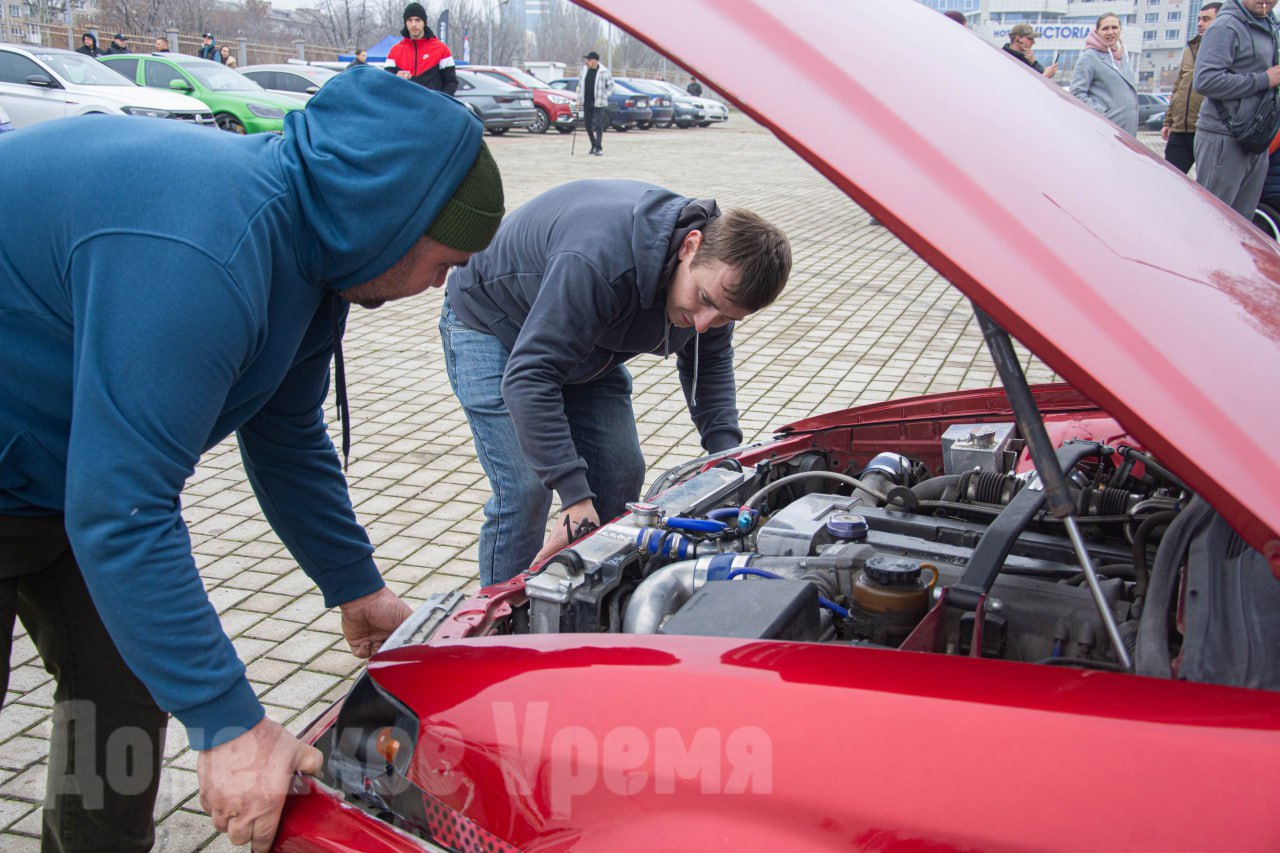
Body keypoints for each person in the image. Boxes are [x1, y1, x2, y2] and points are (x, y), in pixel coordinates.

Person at [0, 67, 503, 851]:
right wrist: (233, 727)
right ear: (388, 221)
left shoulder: (311, 264)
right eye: (442, 264)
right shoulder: (211, 252)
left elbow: (287, 434)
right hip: (59, 471)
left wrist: (355, 585)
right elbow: (123, 510)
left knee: (122, 693)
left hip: (57, 467)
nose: (441, 285)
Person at [440, 179, 791, 586]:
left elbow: (708, 365)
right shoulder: (598, 260)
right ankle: (499, 631)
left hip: (584, 341)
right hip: (492, 323)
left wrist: (726, 459)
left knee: (620, 472)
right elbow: (531, 376)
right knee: (526, 490)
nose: (703, 324)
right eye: (705, 301)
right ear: (690, 246)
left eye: (726, 318)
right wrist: (574, 497)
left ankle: (586, 606)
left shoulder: (716, 289)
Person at [1194, 0, 1280, 217]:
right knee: (1213, 220)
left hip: (1255, 138)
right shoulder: (1225, 26)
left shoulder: (1270, 26)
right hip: (1224, 137)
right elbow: (1205, 81)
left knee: (1241, 226)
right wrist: (1263, 79)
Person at [1164, 3, 1222, 173]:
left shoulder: (1225, 49)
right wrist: (1168, 121)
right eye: (1198, 19)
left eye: (1206, 19)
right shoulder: (1190, 49)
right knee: (1169, 180)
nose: (1200, 24)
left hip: (1206, 130)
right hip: (1179, 131)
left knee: (1207, 186)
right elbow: (1178, 87)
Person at [1070, 14, 1139, 136]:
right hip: (1105, 131)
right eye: (1105, 28)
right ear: (1097, 32)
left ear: (1120, 30)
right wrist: (1102, 113)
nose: (1110, 32)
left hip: (1128, 132)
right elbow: (1076, 93)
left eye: (1114, 27)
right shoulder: (1089, 57)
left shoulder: (1124, 57)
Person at [388, 2, 458, 94]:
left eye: (417, 20)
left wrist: (440, 103)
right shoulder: (394, 51)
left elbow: (451, 82)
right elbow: (386, 84)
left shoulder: (441, 49)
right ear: (405, 23)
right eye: (410, 20)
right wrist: (396, 78)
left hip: (431, 107)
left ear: (424, 22)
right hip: (403, 107)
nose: (413, 24)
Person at [579, 51, 614, 156]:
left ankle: (598, 147)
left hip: (599, 102)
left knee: (598, 125)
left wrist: (605, 95)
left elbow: (611, 86)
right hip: (587, 102)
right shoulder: (584, 70)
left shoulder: (604, 72)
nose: (587, 62)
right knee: (587, 124)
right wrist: (578, 98)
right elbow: (580, 85)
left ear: (594, 61)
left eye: (589, 60)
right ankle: (593, 144)